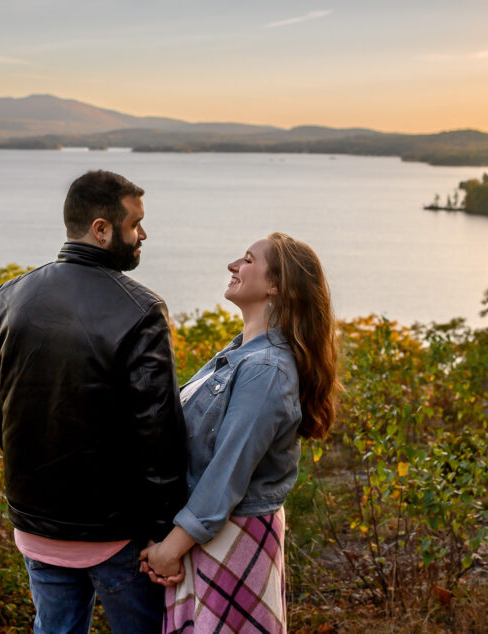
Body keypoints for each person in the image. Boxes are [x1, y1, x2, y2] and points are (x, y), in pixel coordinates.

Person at [0, 169, 187, 634]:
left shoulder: (11, 295)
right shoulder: (142, 311)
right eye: (135, 224)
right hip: (115, 532)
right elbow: (159, 436)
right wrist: (165, 531)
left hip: (35, 524)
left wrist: (34, 452)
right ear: (101, 229)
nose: (143, 234)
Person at [140, 233, 339, 634]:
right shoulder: (238, 354)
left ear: (275, 286)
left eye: (247, 260)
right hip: (209, 535)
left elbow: (227, 472)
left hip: (230, 537)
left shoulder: (266, 370)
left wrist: (170, 549)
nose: (233, 265)